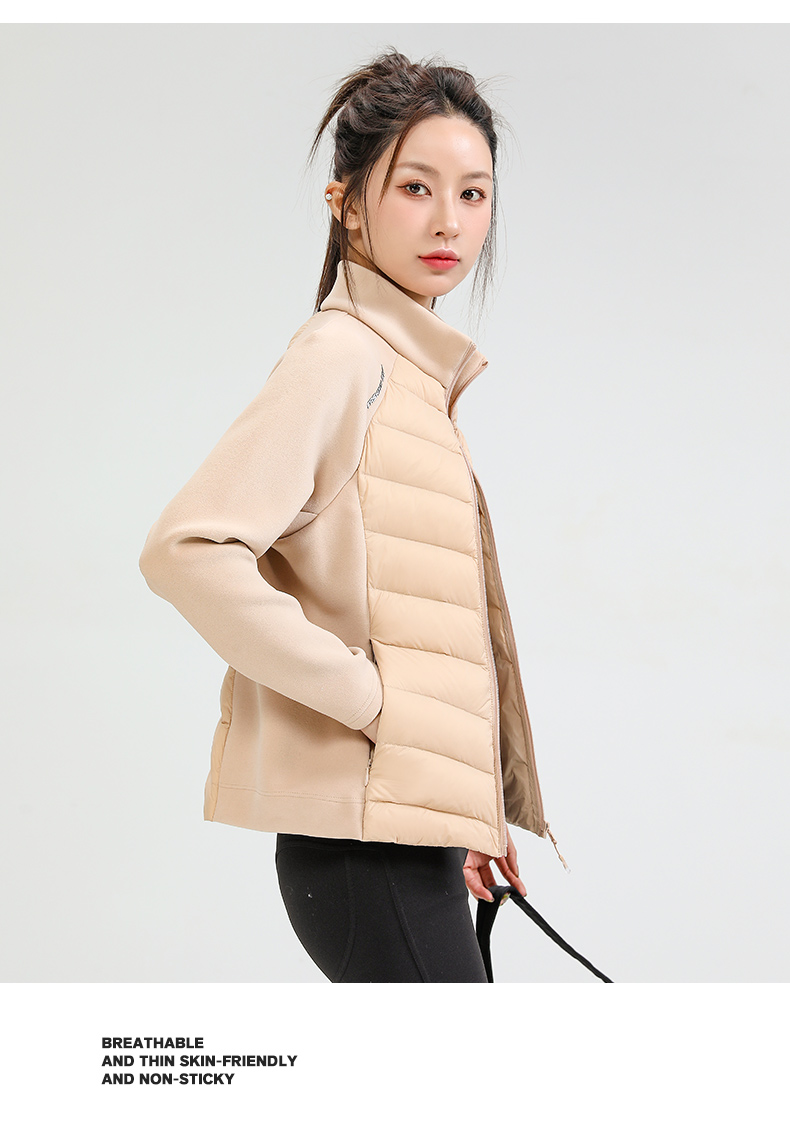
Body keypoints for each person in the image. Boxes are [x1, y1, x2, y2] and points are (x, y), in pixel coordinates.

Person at [139, 49, 564, 983]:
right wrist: (375, 702)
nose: (449, 220)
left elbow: (415, 622)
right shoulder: (342, 359)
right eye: (415, 187)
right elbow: (186, 550)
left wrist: (462, 813)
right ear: (348, 204)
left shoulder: (409, 374)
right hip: (361, 854)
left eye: (474, 193)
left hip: (405, 841)